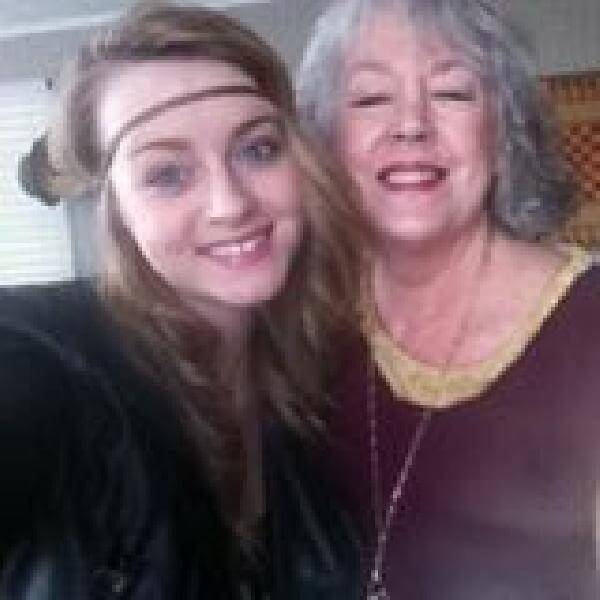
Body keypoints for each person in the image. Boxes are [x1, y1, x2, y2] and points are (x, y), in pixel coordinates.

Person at [0, 5, 365, 598]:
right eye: (167, 174)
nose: (230, 204)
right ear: (116, 208)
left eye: (258, 149)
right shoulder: (48, 362)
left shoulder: (317, 382)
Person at [298, 0, 600, 597]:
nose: (411, 125)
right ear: (328, 142)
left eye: (452, 93)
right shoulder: (304, 321)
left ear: (504, 133)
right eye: (371, 98)